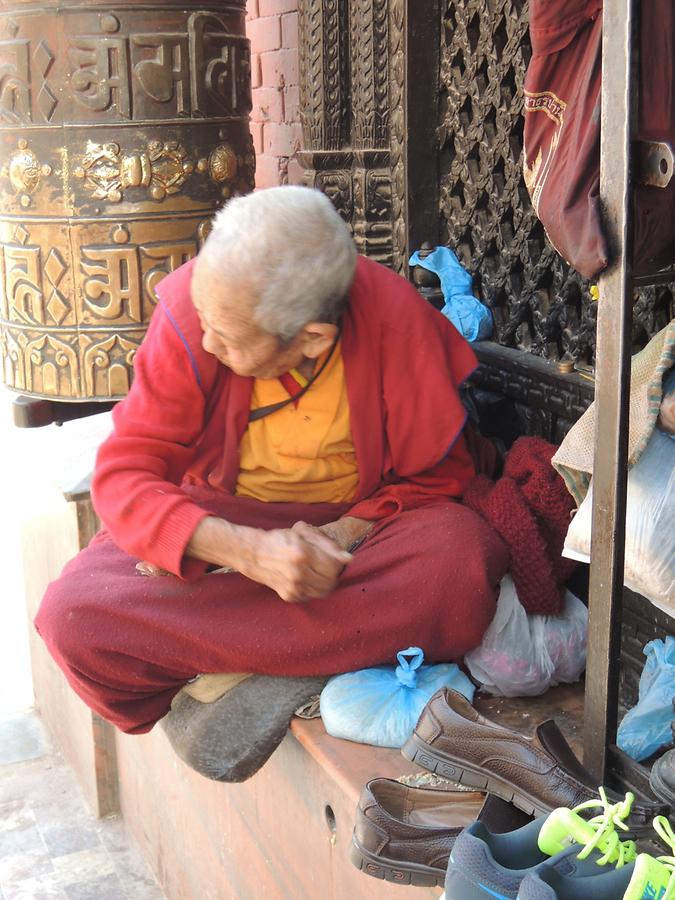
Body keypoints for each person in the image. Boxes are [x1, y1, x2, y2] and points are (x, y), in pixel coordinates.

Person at [36, 186, 508, 780]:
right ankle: (311, 655)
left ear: (312, 338)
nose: (208, 343)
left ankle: (231, 667)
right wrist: (240, 550)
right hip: (227, 523)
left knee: (459, 564)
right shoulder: (195, 309)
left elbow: (440, 477)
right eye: (205, 324)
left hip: (357, 534)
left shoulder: (394, 321)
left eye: (229, 339)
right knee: (73, 618)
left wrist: (339, 534)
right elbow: (123, 474)